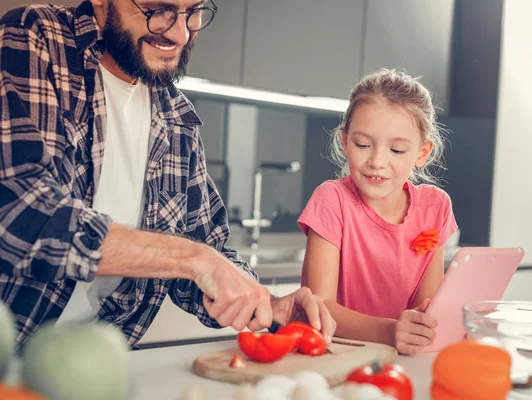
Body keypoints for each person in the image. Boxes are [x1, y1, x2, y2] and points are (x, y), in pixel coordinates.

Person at [0, 0, 335, 347]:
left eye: (194, 11)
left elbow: (208, 247)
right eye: (158, 9)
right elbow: (20, 213)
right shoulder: (37, 38)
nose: (180, 32)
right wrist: (194, 259)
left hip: (89, 368)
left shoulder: (176, 117)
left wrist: (268, 304)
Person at [298, 68, 458, 355]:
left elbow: (427, 305)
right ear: (345, 141)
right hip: (335, 356)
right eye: (362, 144)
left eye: (396, 150)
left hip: (401, 360)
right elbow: (320, 307)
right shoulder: (332, 200)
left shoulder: (436, 207)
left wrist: (426, 321)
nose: (377, 161)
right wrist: (390, 330)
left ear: (422, 153)